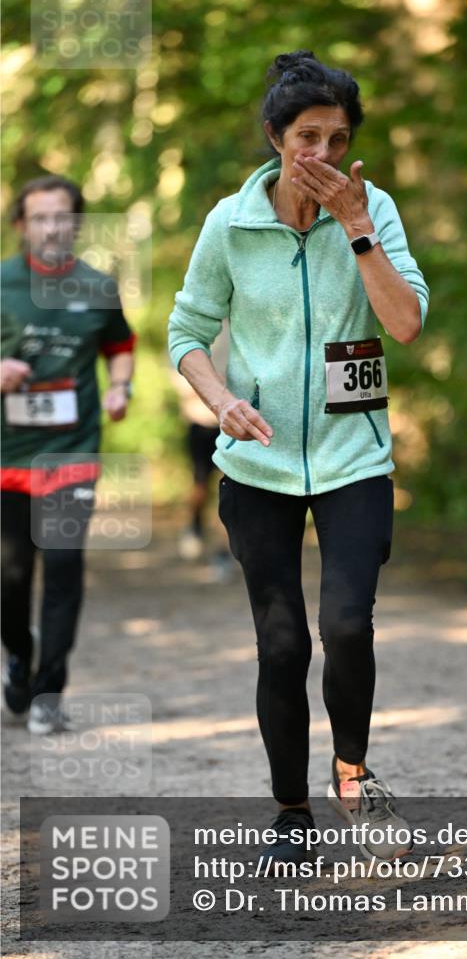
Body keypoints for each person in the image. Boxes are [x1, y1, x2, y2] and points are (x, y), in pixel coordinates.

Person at [167, 50, 429, 866]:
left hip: (355, 458)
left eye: (337, 138)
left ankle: (351, 770)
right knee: (282, 645)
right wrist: (221, 401)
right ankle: (290, 812)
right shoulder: (229, 224)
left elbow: (406, 323)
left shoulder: (372, 208)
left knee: (347, 626)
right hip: (258, 466)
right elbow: (186, 334)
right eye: (306, 136)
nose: (321, 154)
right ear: (276, 140)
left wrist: (357, 232)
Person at [1, 175, 136, 734]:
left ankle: (49, 692)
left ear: (76, 223)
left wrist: (119, 388)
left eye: (61, 217)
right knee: (9, 577)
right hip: (7, 455)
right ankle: (18, 655)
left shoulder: (98, 286)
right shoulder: (2, 281)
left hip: (71, 452)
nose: (52, 227)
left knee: (61, 565)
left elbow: (120, 346)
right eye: (40, 218)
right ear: (21, 226)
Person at [170, 325, 236, 581]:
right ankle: (194, 526)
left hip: (234, 424)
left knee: (230, 490)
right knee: (200, 485)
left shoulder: (242, 327)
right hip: (200, 422)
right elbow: (179, 378)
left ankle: (223, 552)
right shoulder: (190, 327)